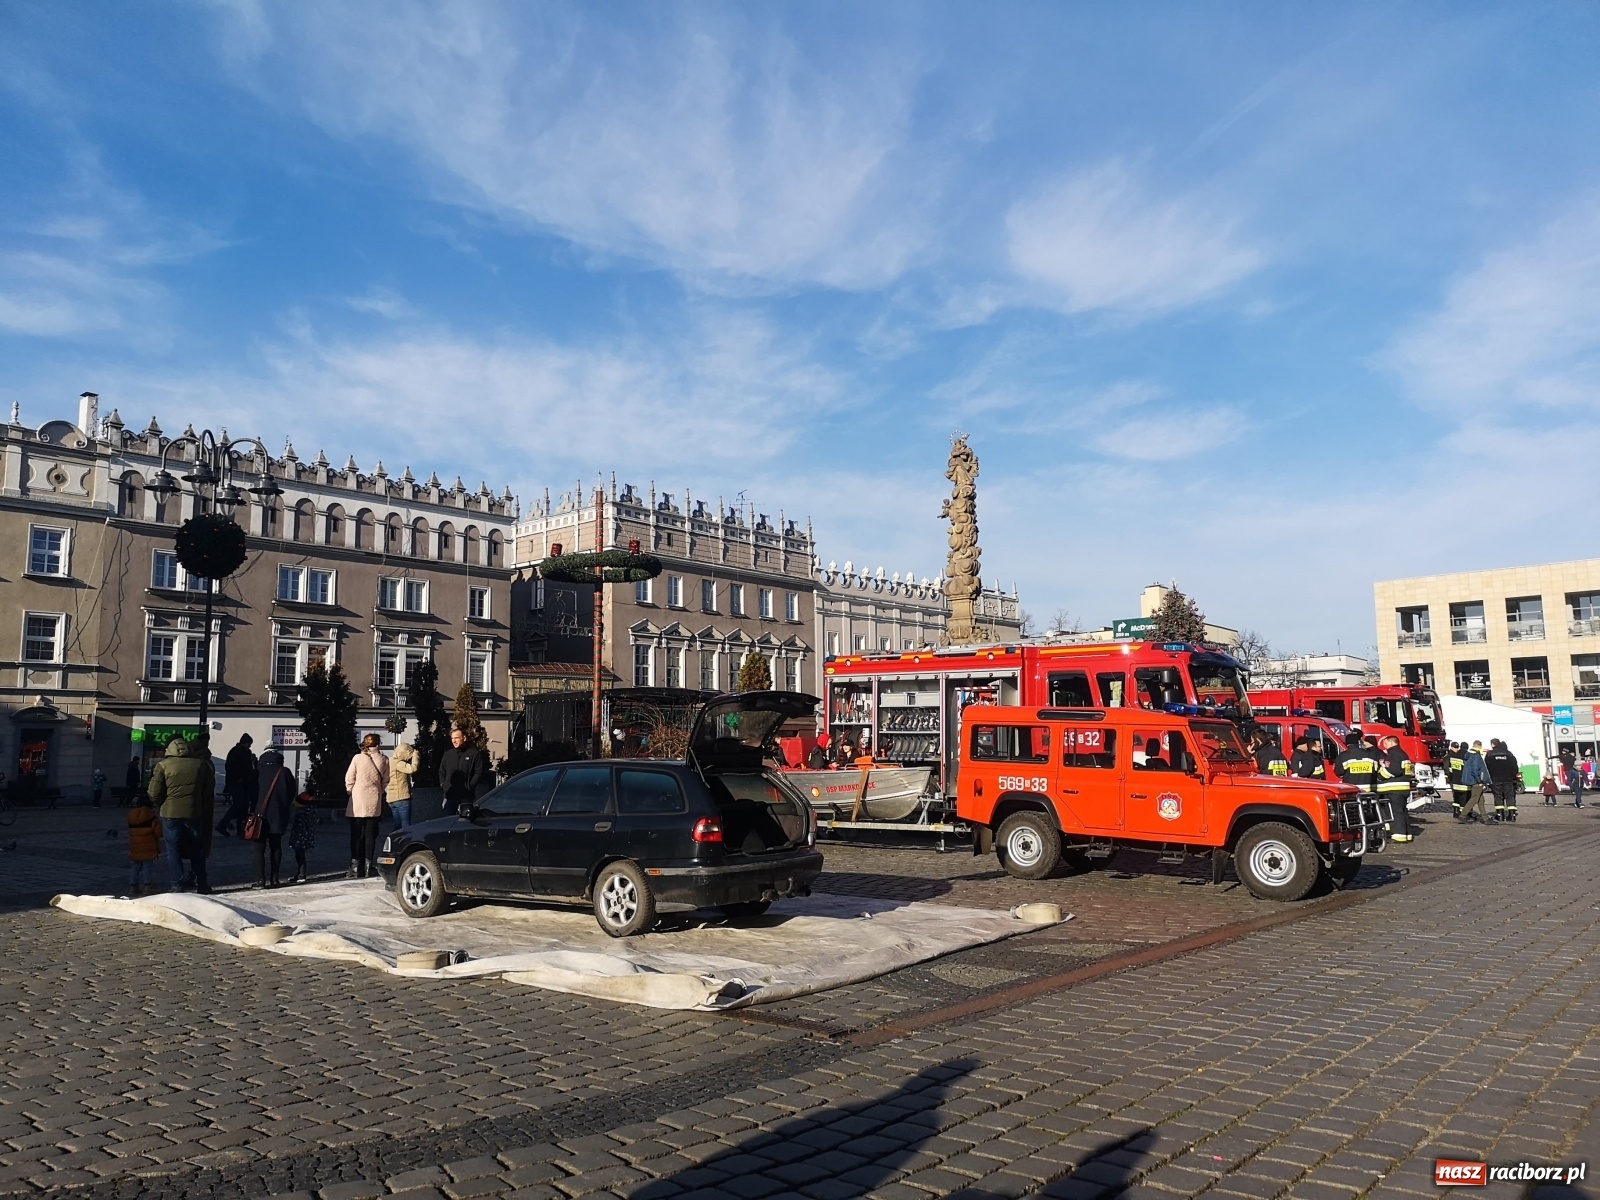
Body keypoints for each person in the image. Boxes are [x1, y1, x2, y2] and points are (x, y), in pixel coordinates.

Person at [147, 737, 215, 894]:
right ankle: (202, 883)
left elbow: (153, 792)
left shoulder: (163, 765)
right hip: (194, 811)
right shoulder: (200, 764)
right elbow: (208, 789)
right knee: (197, 849)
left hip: (170, 813)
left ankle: (177, 884)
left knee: (173, 849)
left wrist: (161, 802)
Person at [344, 734, 390, 879]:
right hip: (373, 800)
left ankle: (356, 867)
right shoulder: (384, 759)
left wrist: (351, 790)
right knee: (371, 836)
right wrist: (379, 790)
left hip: (357, 801)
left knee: (356, 835)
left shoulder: (357, 758)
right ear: (378, 744)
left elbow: (349, 777)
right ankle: (369, 867)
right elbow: (386, 780)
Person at [250, 748, 296, 889]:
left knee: (259, 849)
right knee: (276, 847)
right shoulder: (285, 772)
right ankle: (274, 879)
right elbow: (291, 793)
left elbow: (250, 793)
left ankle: (260, 880)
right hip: (278, 814)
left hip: (259, 815)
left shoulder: (257, 772)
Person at [437, 727, 486, 816]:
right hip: (449, 796)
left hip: (466, 796)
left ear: (464, 738)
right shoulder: (448, 754)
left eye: (456, 738)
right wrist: (443, 785)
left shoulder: (474, 753)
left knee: (465, 822)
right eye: (452, 738)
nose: (454, 741)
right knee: (448, 821)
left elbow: (478, 771)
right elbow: (441, 771)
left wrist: (470, 785)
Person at [217, 734, 259, 837]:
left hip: (240, 783)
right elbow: (238, 768)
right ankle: (228, 826)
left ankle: (237, 828)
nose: (249, 746)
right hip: (239, 783)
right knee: (239, 806)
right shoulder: (239, 752)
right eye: (249, 744)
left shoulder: (238, 751)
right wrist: (239, 778)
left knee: (241, 806)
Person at [1376, 735, 1415, 842]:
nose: (1385, 745)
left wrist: (1380, 776)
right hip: (1403, 788)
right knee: (1403, 811)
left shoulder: (1393, 755)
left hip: (1394, 789)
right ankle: (1408, 834)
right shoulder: (1403, 754)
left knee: (1396, 812)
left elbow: (1394, 770)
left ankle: (1399, 835)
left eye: (1386, 743)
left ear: (1392, 743)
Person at [126, 796, 162, 897]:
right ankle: (147, 886)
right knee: (147, 866)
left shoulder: (131, 815)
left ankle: (133, 886)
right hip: (148, 847)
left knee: (136, 866)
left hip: (135, 847)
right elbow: (159, 832)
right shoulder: (151, 816)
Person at [1484, 738, 1520, 823]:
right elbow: (1515, 767)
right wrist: (1512, 776)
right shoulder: (1509, 754)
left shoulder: (1490, 754)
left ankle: (1500, 815)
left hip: (1495, 779)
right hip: (1508, 779)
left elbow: (1486, 767)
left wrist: (1489, 778)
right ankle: (1512, 815)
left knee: (1498, 796)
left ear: (1493, 744)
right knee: (1510, 796)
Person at [287, 789, 317, 884]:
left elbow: (297, 825)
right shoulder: (310, 811)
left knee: (300, 856)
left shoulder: (301, 813)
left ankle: (301, 874)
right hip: (305, 837)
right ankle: (300, 873)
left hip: (300, 838)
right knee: (300, 855)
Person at [387, 741, 418, 829]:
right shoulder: (399, 763)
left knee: (397, 825)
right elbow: (412, 769)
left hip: (391, 799)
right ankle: (405, 842)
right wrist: (416, 756)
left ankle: (394, 842)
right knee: (405, 826)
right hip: (402, 797)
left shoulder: (390, 761)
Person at [1460, 740, 1491, 823]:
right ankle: (1463, 815)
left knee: (1481, 800)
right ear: (1479, 746)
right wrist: (1480, 780)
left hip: (1472, 780)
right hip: (1477, 782)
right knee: (1474, 799)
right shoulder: (1476, 756)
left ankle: (1485, 818)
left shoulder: (1469, 755)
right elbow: (1475, 770)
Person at [1446, 742, 1469, 818]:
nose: (1456, 749)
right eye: (1455, 747)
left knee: (1456, 796)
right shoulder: (1463, 756)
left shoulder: (1454, 756)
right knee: (1462, 797)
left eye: (1457, 747)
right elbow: (1447, 768)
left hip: (1455, 779)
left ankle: (1456, 812)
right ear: (1451, 747)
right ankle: (1462, 813)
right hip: (1461, 780)